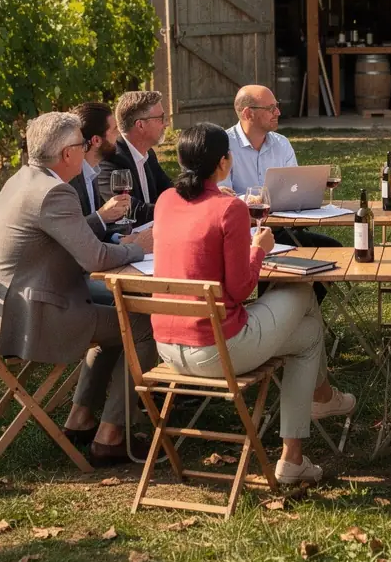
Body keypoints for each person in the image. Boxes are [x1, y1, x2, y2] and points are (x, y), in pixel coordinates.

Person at [152, 123, 356, 485]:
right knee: (304, 292)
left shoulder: (166, 201)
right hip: (218, 350)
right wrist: (258, 250)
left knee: (309, 334)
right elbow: (240, 289)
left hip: (167, 348)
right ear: (224, 162)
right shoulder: (228, 208)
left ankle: (297, 452)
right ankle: (319, 404)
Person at [0, 112, 156, 466]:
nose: (87, 150)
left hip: (1, 313)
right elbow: (94, 258)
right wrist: (139, 247)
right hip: (33, 318)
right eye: (82, 144)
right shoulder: (55, 192)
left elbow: (69, 237)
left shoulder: (23, 180)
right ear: (67, 154)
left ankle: (81, 418)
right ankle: (110, 436)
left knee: (117, 320)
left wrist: (111, 235)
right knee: (143, 326)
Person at [222, 84, 341, 256]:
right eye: (271, 108)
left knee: (334, 249)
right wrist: (251, 199)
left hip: (281, 229)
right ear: (248, 113)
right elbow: (221, 198)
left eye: (277, 106)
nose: (278, 112)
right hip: (240, 234)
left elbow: (296, 188)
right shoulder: (223, 146)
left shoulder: (281, 143)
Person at [97, 90, 172, 225]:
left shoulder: (148, 154)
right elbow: (129, 210)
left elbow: (168, 191)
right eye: (161, 118)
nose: (166, 124)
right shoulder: (110, 159)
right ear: (140, 125)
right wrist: (176, 210)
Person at [70, 101, 132, 241]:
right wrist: (102, 216)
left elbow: (100, 231)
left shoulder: (92, 172)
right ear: (96, 140)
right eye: (114, 130)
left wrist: (121, 238)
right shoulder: (70, 181)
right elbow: (72, 235)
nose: (119, 135)